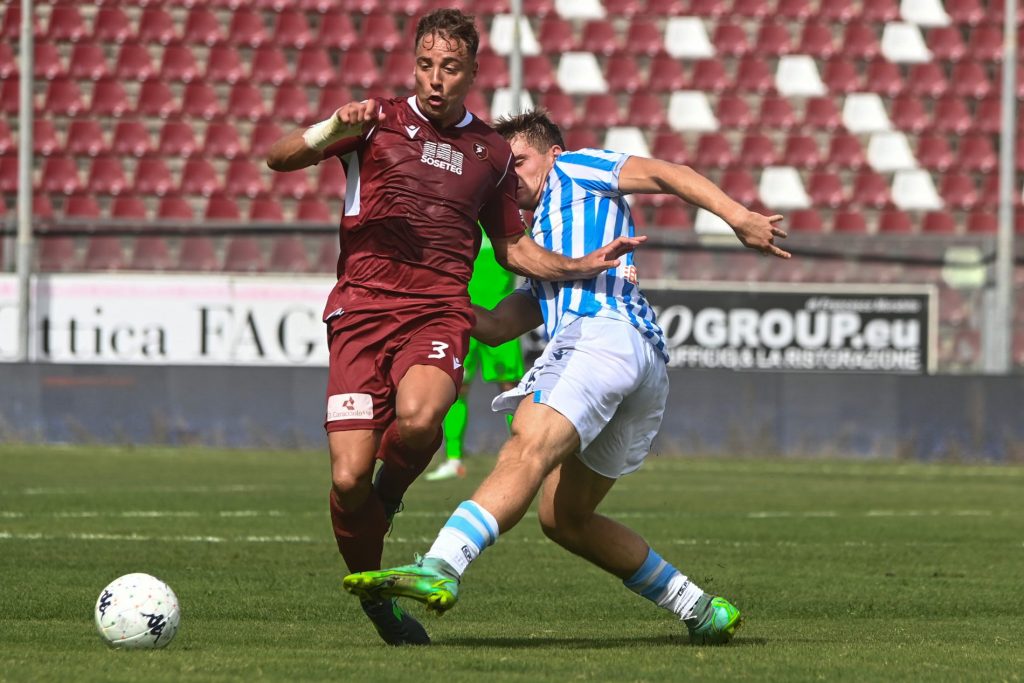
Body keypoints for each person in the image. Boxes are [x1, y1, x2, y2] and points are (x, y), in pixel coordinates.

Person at [341, 110, 791, 645]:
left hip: (601, 337)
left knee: (526, 445)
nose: (509, 177)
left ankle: (442, 564)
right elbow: (498, 326)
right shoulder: (545, 246)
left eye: (519, 162)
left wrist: (738, 216)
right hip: (640, 363)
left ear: (552, 153)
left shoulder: (576, 168)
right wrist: (431, 300)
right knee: (565, 518)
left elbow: (668, 173)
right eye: (503, 170)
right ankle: (699, 608)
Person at [265, 13, 643, 647]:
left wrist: (580, 265)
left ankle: (391, 493)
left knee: (420, 420)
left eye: (449, 67)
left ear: (471, 73)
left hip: (437, 309)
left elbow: (514, 248)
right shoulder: (374, 122)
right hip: (360, 311)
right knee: (348, 480)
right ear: (413, 65)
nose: (435, 79)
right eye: (425, 65)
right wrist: (332, 126)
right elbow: (277, 158)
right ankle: (378, 601)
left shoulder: (490, 154)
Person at [427, 229, 525, 482]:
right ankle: (454, 459)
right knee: (457, 387)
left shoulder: (505, 225)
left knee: (511, 390)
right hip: (463, 318)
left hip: (501, 319)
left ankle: (523, 456)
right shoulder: (462, 225)